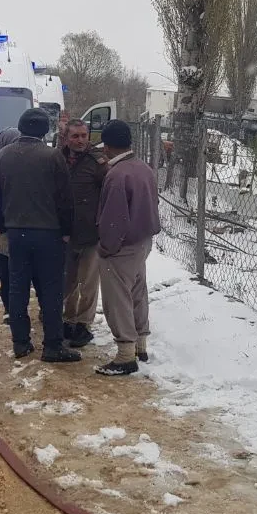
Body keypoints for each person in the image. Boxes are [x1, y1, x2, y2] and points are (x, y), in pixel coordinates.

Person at [0, 108, 79, 363]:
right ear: (44, 131)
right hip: (49, 234)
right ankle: (52, 345)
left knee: (18, 288)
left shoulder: (3, 157)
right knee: (51, 290)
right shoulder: (53, 157)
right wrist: (67, 231)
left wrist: (3, 224)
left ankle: (21, 342)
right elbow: (65, 200)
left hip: (16, 234)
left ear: (21, 127)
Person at [94, 120, 162, 377]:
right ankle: (140, 345)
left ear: (107, 146)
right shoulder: (143, 168)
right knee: (137, 291)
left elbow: (114, 218)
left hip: (122, 246)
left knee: (117, 298)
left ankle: (125, 355)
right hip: (143, 241)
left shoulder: (117, 175)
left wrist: (105, 248)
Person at [0, 127, 41, 322]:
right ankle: (31, 309)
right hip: (26, 228)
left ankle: (12, 311)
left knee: (9, 274)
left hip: (6, 230)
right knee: (32, 272)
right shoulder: (30, 162)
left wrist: (1, 224)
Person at [60, 119, 109, 348]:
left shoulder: (98, 162)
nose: (80, 140)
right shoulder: (58, 159)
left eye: (83, 135)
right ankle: (67, 320)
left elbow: (109, 195)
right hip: (65, 232)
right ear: (66, 138)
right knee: (67, 280)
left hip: (91, 233)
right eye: (75, 136)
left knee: (88, 282)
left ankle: (83, 324)